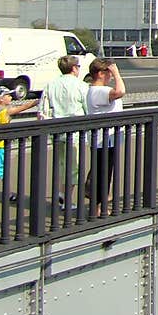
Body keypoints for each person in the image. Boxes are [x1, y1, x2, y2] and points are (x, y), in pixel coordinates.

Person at [38, 55, 89, 210]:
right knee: (74, 167)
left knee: (62, 165)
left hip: (56, 130)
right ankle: (65, 199)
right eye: (78, 66)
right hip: (75, 132)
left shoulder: (51, 84)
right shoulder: (81, 85)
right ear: (74, 68)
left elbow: (42, 110)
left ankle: (61, 193)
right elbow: (88, 109)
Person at [0, 86, 39, 204]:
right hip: (1, 146)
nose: (10, 97)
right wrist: (36, 102)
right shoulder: (6, 111)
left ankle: (8, 194)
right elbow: (24, 107)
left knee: (3, 170)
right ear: (1, 99)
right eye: (8, 95)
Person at [85, 58, 126, 216]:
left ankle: (99, 207)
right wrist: (116, 73)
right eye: (108, 73)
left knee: (103, 172)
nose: (110, 76)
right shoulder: (98, 91)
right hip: (104, 139)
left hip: (105, 138)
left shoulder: (96, 90)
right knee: (102, 174)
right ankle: (97, 209)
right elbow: (120, 91)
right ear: (101, 74)